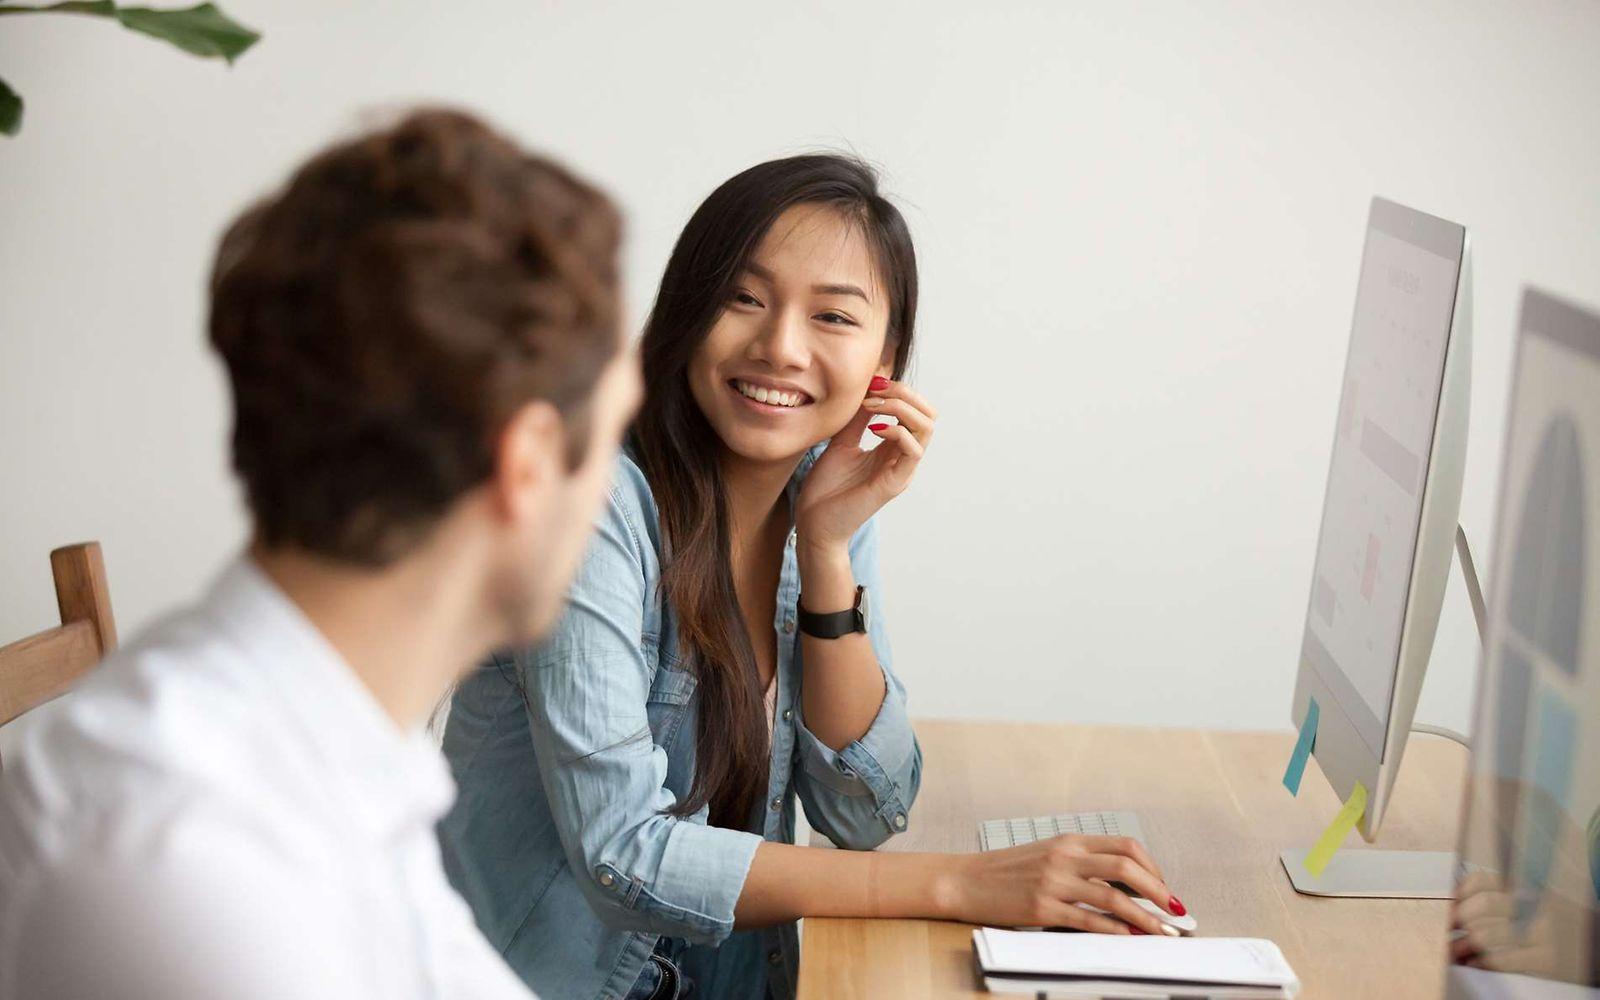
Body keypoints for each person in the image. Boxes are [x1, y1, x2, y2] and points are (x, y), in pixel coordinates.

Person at [440, 154, 1185, 1000]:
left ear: (886, 358)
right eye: (743, 299)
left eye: (833, 316)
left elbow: (865, 812)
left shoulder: (819, 493)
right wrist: (965, 883)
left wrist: (828, 550)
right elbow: (623, 854)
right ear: (686, 313)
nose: (780, 347)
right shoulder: (592, 503)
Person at [0, 108, 641, 1000]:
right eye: (614, 441)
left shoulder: (336, 734)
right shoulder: (185, 850)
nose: (612, 494)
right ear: (528, 466)